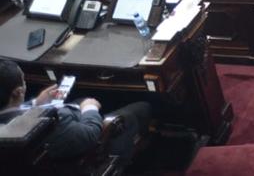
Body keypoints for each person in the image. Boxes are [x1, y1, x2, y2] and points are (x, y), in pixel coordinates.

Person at [0, 59, 152, 165]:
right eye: (24, 81)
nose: (25, 84)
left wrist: (35, 103)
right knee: (142, 108)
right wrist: (90, 108)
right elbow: (90, 134)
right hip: (75, 157)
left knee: (80, 99)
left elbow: (10, 113)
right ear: (18, 92)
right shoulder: (44, 124)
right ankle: (126, 161)